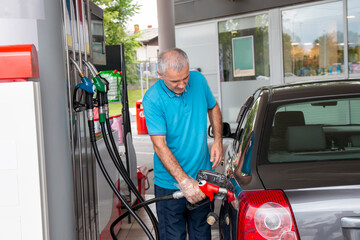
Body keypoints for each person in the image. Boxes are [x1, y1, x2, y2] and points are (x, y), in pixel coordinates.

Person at [142, 48, 223, 240]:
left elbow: (213, 107)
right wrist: (184, 182)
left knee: (202, 235)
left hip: (202, 179)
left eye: (185, 78)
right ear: (160, 75)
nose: (182, 85)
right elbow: (159, 145)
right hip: (170, 185)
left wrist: (218, 140)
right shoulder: (152, 99)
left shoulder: (198, 80)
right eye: (175, 81)